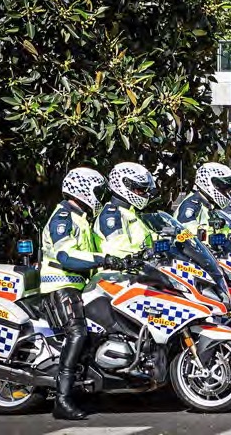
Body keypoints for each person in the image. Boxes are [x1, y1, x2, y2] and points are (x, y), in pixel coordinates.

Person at [40, 167, 130, 420]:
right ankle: (62, 400)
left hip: (80, 288)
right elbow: (66, 256)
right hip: (59, 286)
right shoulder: (63, 218)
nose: (100, 196)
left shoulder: (80, 217)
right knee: (77, 333)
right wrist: (105, 259)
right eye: (97, 191)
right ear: (83, 189)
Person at [94, 162, 158, 257]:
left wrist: (172, 240)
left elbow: (149, 238)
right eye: (140, 189)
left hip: (142, 268)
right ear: (125, 185)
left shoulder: (129, 212)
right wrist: (147, 253)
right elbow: (119, 251)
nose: (145, 194)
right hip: (118, 271)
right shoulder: (111, 215)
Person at [174, 162, 231, 234]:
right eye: (224, 189)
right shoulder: (191, 204)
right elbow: (188, 229)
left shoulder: (211, 204)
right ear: (209, 184)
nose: (227, 193)